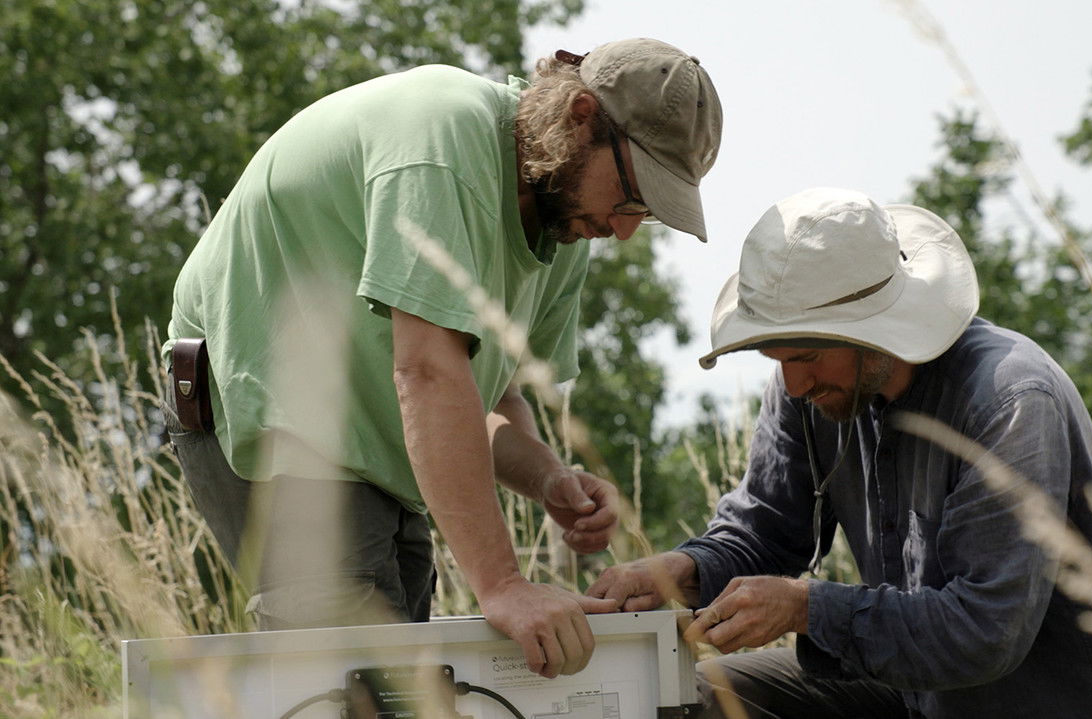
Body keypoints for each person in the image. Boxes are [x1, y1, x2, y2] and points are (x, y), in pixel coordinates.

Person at [162, 38, 722, 679]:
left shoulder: (565, 220)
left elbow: (487, 394)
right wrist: (504, 583)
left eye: (646, 214)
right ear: (581, 116)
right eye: (631, 196)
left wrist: (547, 477)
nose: (624, 229)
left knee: (417, 680)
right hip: (270, 409)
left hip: (380, 444)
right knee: (363, 684)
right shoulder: (442, 140)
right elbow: (427, 373)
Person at [589, 188, 1092, 717]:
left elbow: (985, 635)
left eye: (805, 358)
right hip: (919, 696)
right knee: (684, 698)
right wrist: (680, 572)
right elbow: (767, 531)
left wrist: (807, 608)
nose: (793, 385)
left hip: (1057, 705)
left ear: (873, 329)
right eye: (777, 361)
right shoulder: (809, 389)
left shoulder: (1009, 399)